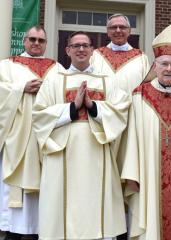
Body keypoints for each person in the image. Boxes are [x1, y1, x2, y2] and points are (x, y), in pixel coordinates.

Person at [32, 31, 131, 239]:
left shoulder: (108, 80)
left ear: (92, 51)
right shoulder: (54, 80)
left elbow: (121, 111)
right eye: (76, 46)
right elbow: (39, 115)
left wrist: (92, 106)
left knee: (96, 206)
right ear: (67, 51)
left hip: (97, 151)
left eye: (85, 45)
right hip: (63, 153)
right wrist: (72, 108)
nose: (81, 49)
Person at [121, 22, 171, 240]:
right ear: (154, 66)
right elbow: (131, 137)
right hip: (148, 174)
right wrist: (131, 173)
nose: (169, 69)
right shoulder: (140, 95)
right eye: (164, 64)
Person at [0, 25, 63, 240]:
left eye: (41, 41)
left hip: (46, 139)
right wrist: (20, 88)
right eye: (32, 39)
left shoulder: (56, 68)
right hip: (18, 138)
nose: (36, 44)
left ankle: (39, 231)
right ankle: (12, 233)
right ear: (24, 41)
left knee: (44, 191)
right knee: (13, 193)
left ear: (46, 44)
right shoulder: (7, 65)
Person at [90, 13, 149, 95]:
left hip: (132, 107)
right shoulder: (96, 55)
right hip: (102, 107)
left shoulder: (141, 58)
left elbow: (147, 88)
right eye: (114, 27)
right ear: (108, 32)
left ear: (129, 31)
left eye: (122, 27)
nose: (118, 30)